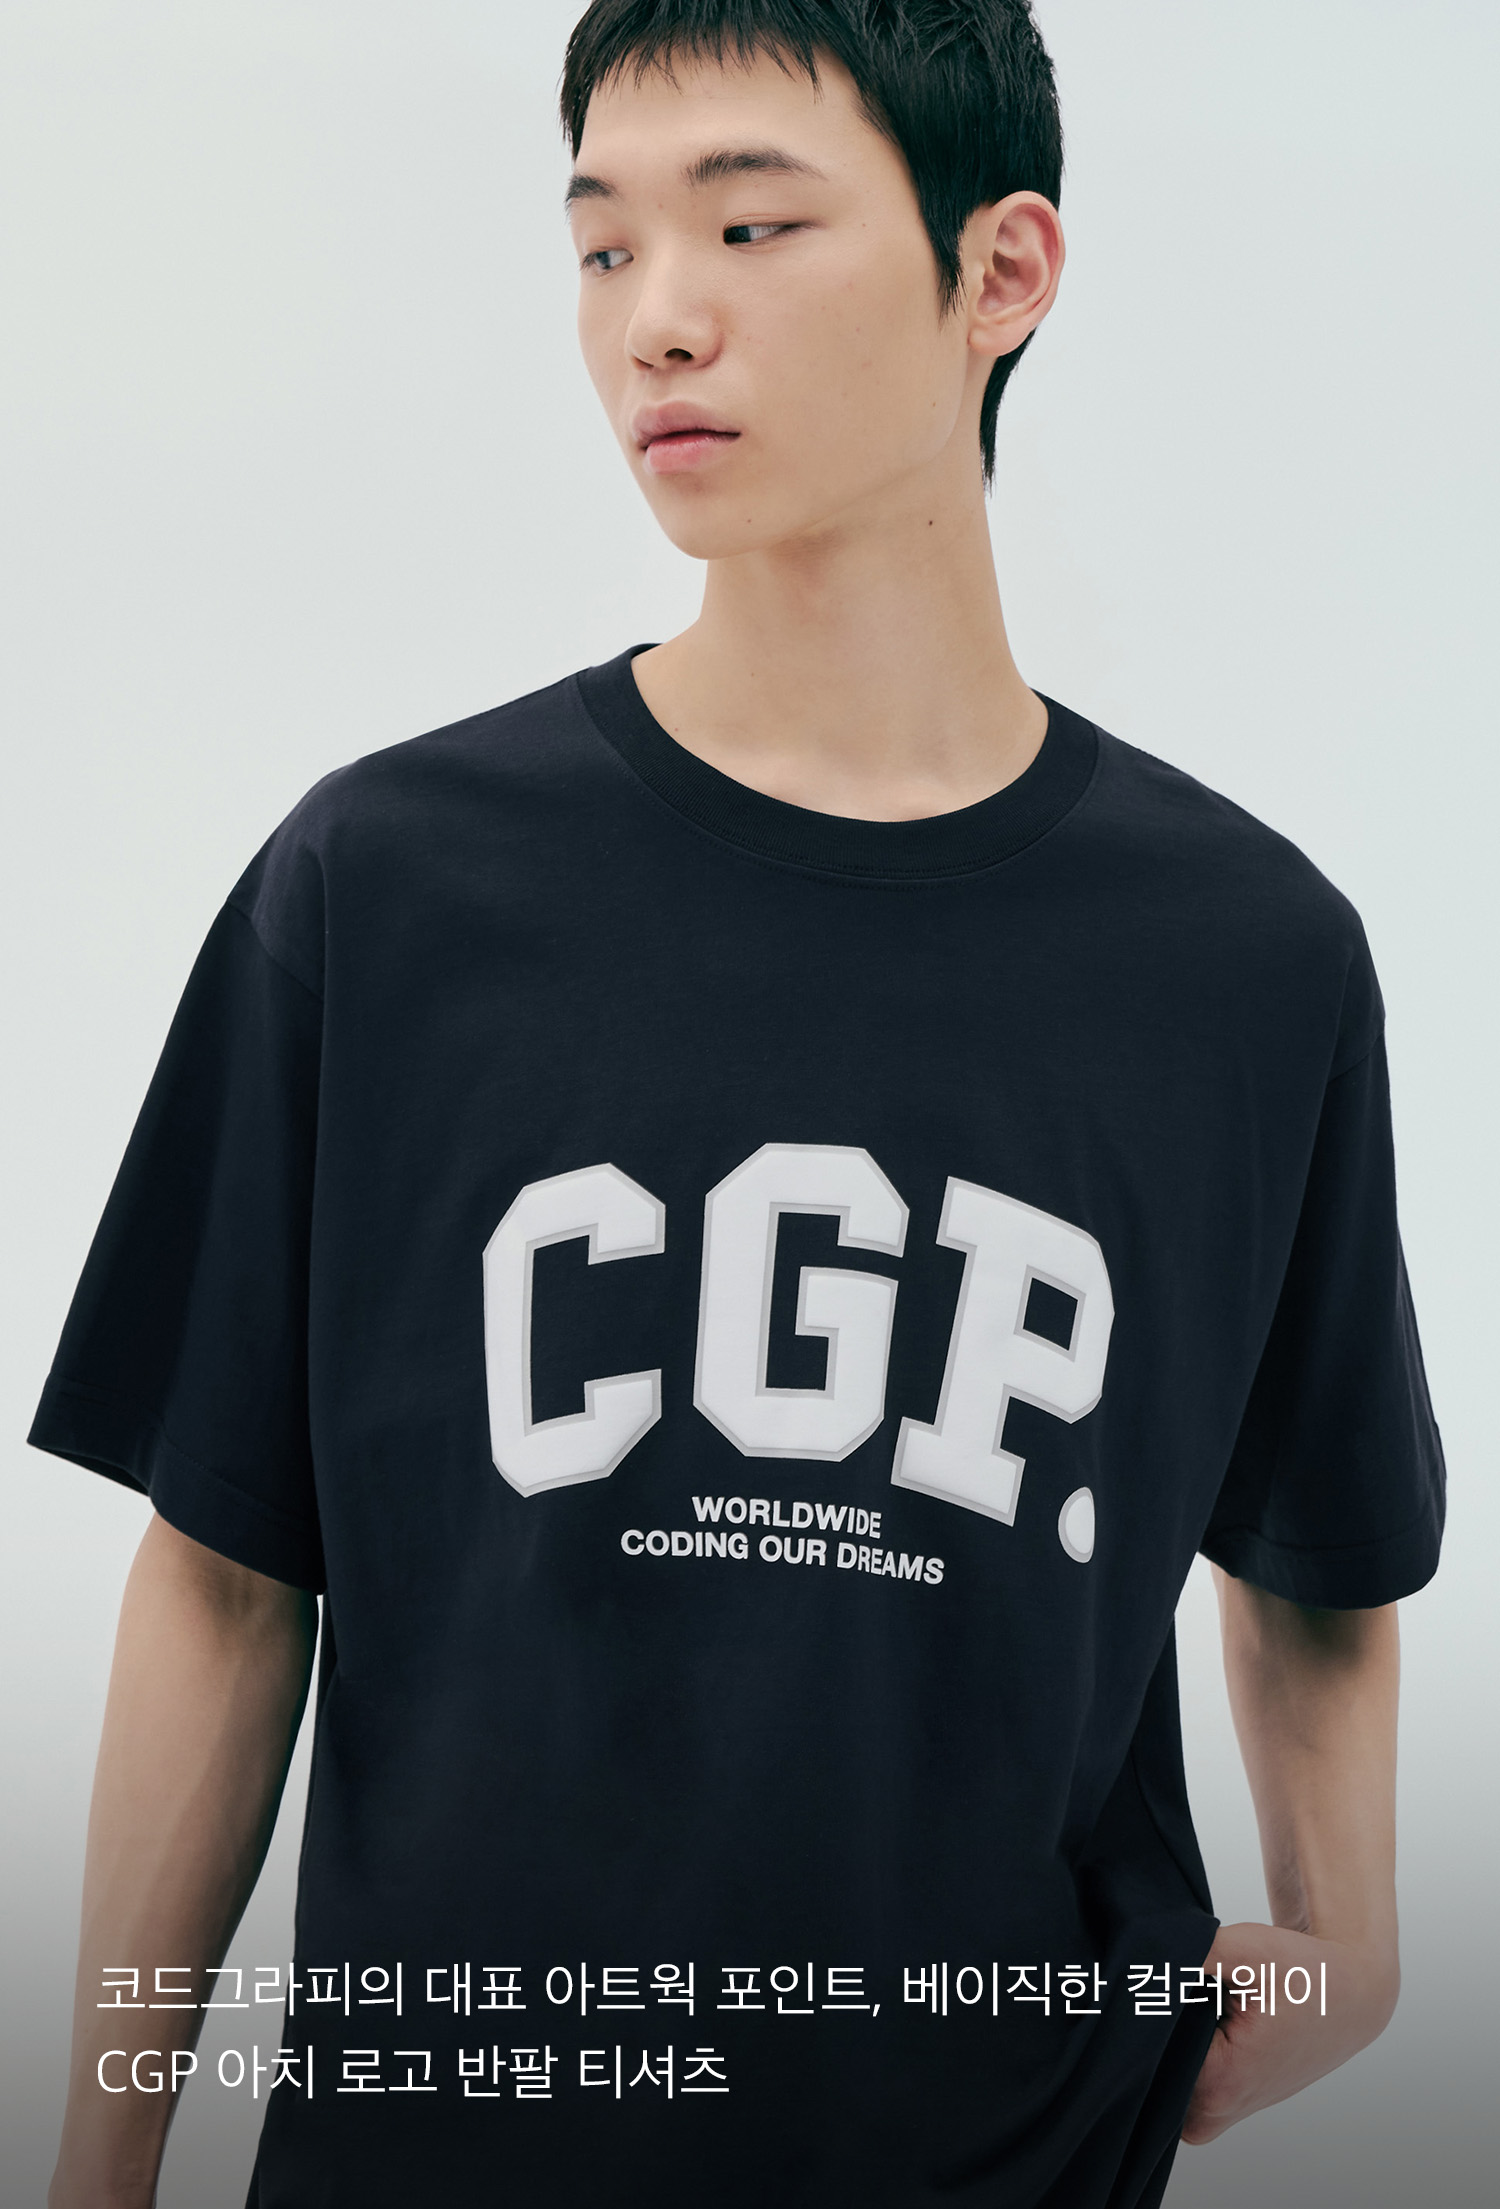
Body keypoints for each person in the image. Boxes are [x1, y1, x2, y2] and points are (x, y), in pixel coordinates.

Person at [32, 4, 1445, 2205]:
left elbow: (1323, 1535)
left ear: (1002, 271)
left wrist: (1351, 1933)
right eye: (602, 247)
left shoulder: (1247, 960)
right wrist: (96, 2173)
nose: (656, 319)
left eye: (751, 226)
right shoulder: (388, 891)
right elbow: (223, 1578)